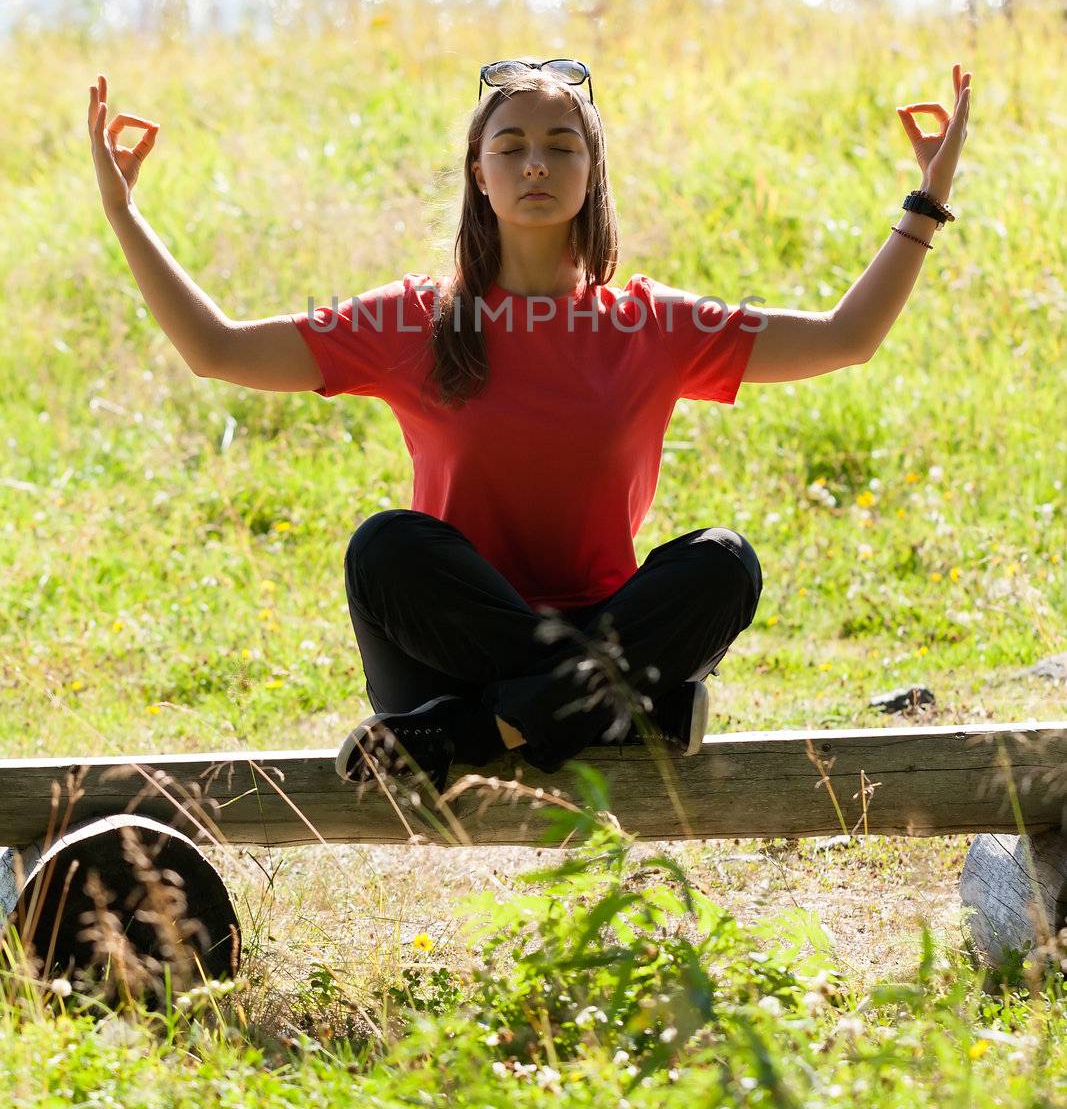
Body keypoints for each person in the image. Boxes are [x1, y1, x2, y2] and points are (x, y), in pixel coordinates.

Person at [86, 57, 971, 798]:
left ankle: (488, 731)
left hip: (487, 697)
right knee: (387, 545)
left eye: (561, 146)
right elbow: (214, 349)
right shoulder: (412, 320)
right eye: (509, 147)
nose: (535, 164)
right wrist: (124, 213)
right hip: (449, 661)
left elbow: (846, 338)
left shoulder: (647, 324)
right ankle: (614, 711)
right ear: (479, 173)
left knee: (723, 560)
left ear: (592, 172)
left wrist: (924, 201)